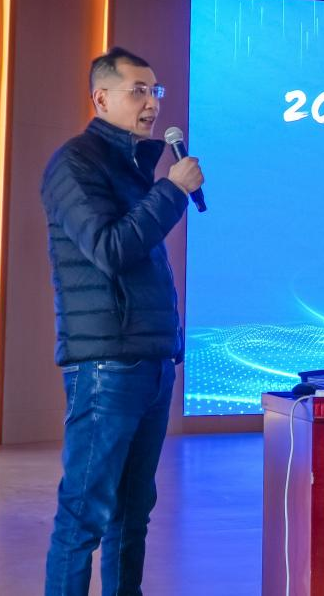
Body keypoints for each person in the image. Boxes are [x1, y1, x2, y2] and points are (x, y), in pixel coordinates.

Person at [40, 47, 203, 595]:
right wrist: (172, 191)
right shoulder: (75, 163)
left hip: (151, 361)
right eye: (138, 91)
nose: (151, 103)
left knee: (133, 514)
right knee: (85, 513)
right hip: (106, 364)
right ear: (101, 98)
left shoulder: (134, 169)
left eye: (155, 91)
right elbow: (110, 250)